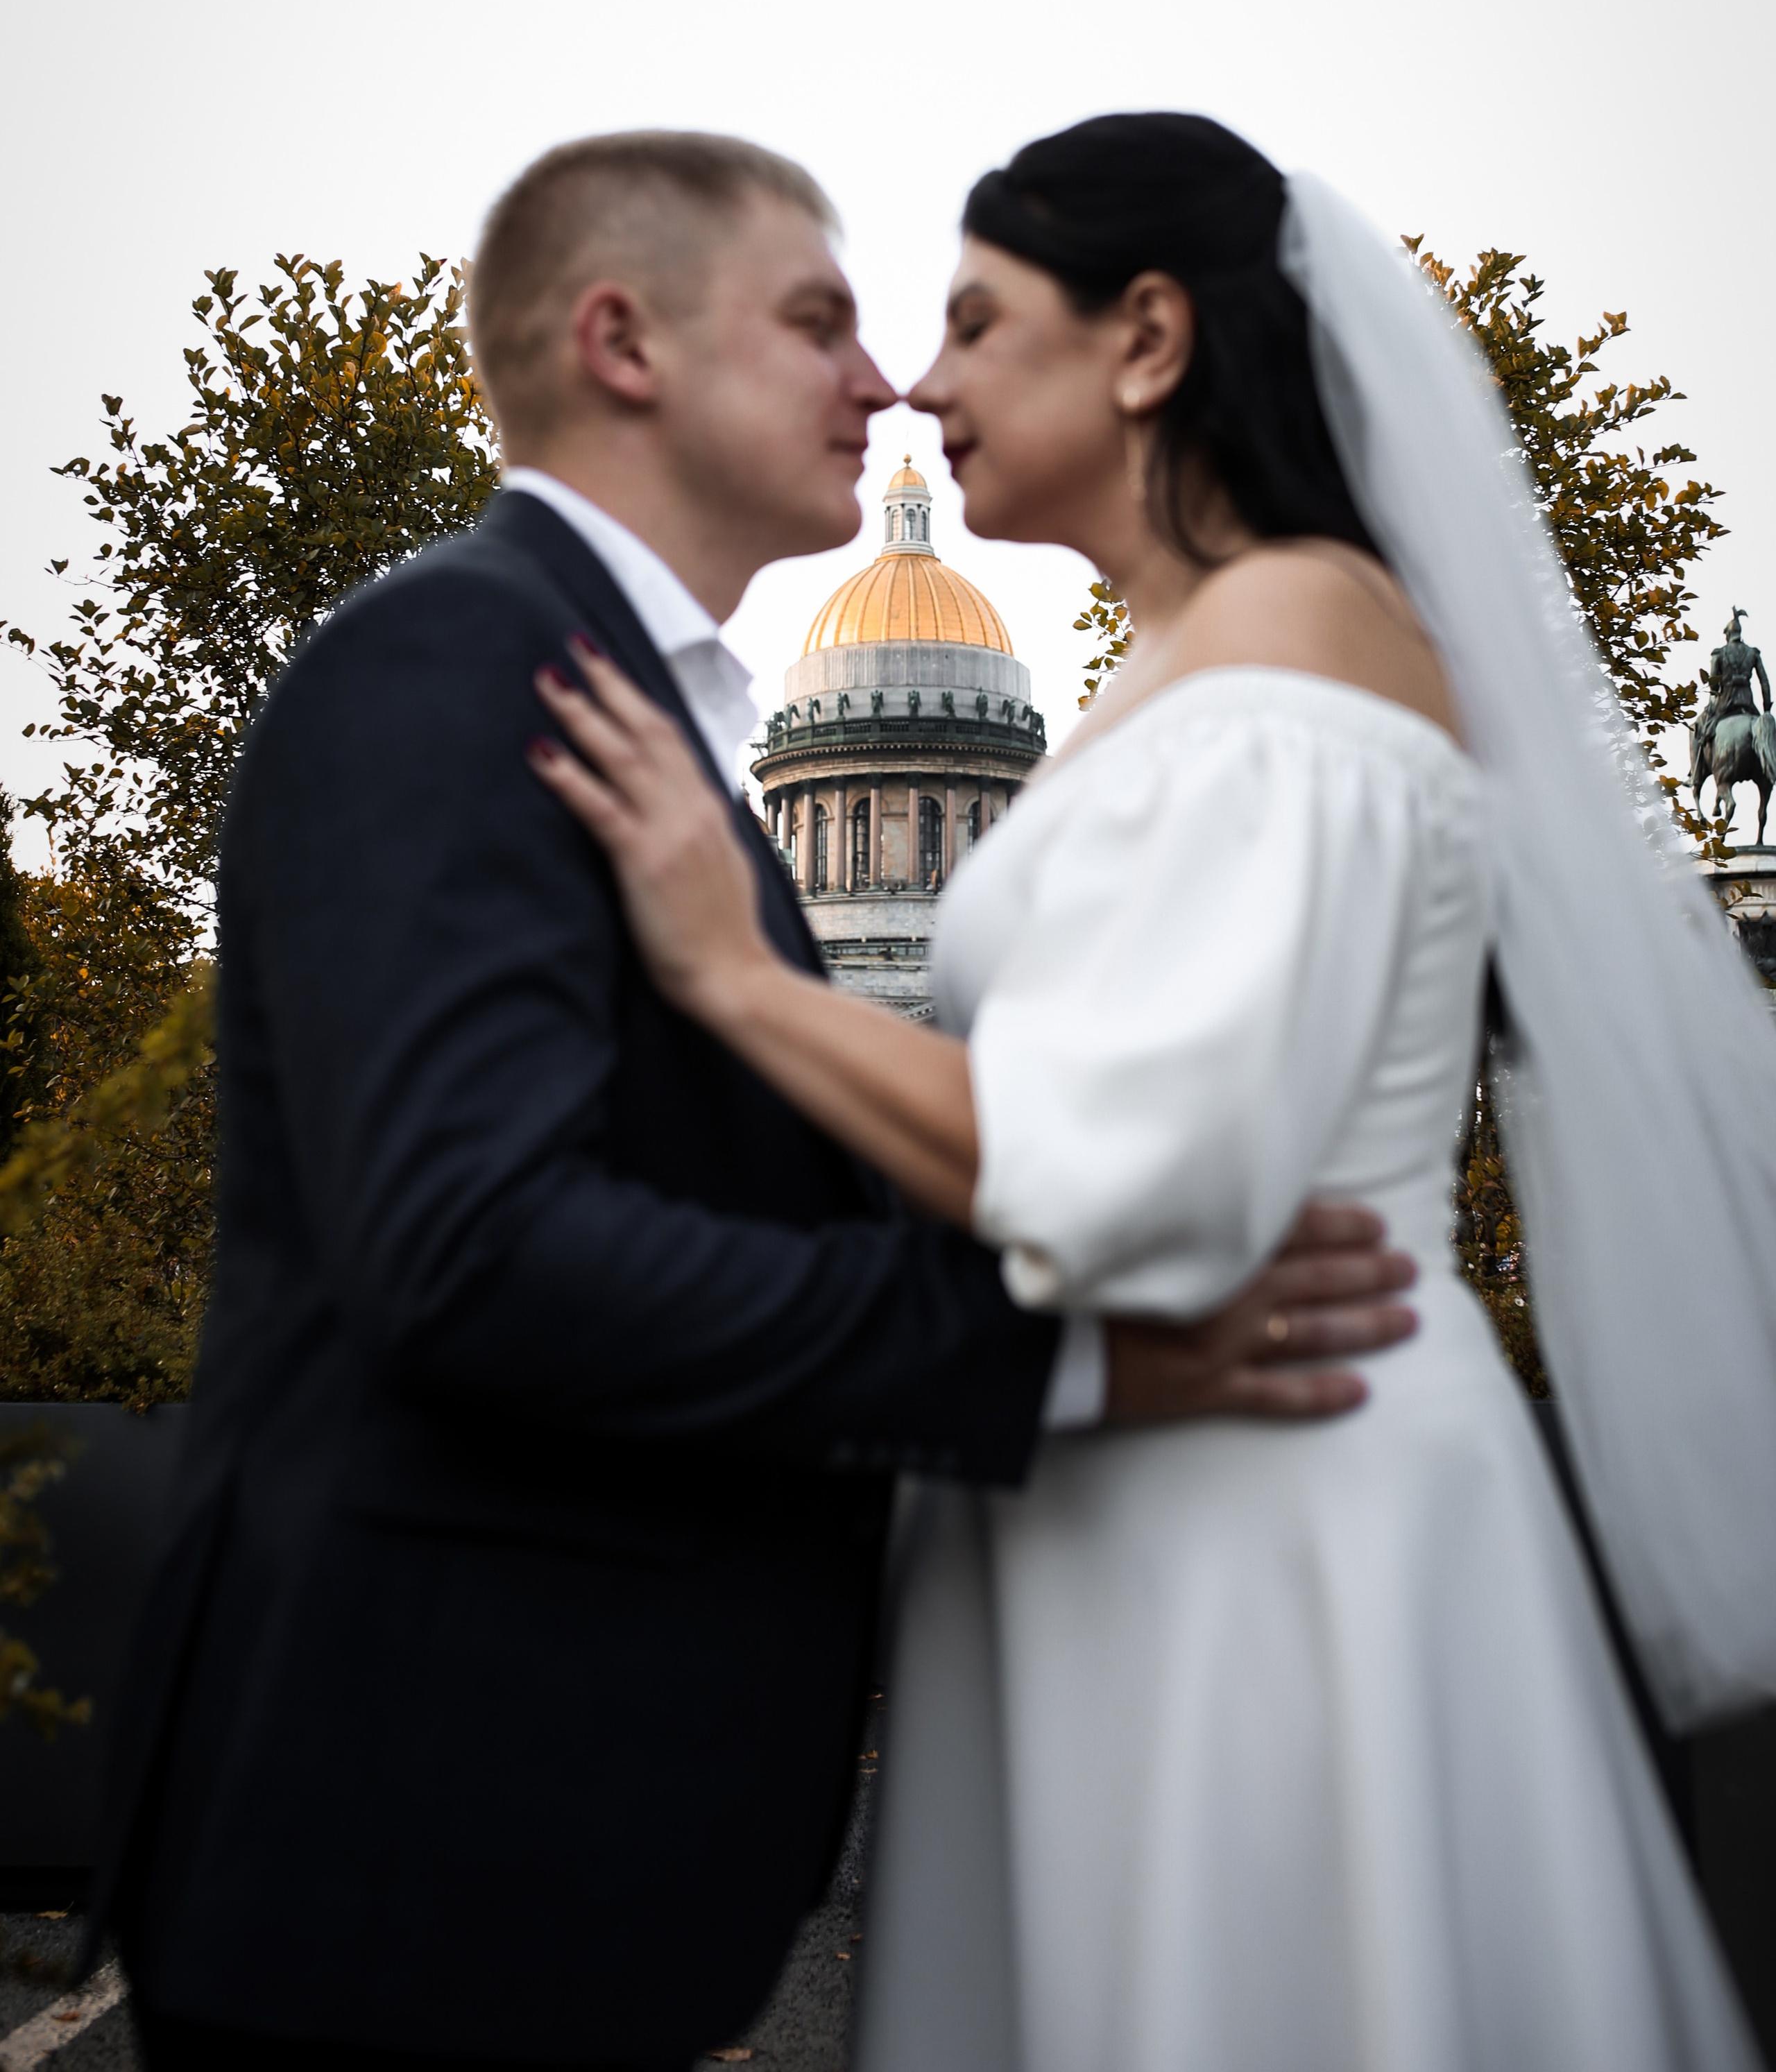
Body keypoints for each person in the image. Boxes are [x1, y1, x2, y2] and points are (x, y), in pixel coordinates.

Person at [94, 131, 1423, 2072]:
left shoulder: (656, 728)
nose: (888, 385)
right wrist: (1059, 1361)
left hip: (530, 1849)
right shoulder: (464, 669)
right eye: (822, 323)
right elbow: (470, 1251)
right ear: (623, 343)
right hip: (422, 1852)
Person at [533, 114, 1776, 2072]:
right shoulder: (1193, 655)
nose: (915, 389)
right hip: (1156, 1482)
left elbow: (1121, 1172)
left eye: (971, 322)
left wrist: (729, 975)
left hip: (1266, 1500)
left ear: (1148, 339)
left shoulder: (1292, 631)